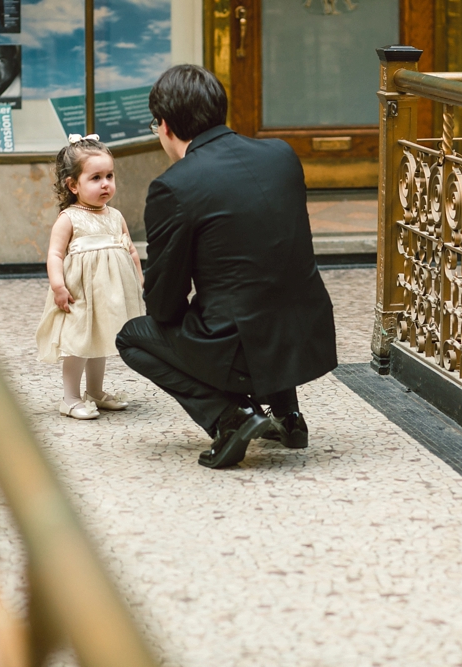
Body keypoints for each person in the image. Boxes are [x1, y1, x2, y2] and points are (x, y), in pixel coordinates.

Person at [116, 65, 337, 469]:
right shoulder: (281, 155)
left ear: (164, 126)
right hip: (308, 337)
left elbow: (164, 302)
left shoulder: (173, 186)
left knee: (133, 336)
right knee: (262, 287)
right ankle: (288, 415)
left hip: (243, 350)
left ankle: (231, 417)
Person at [36, 134, 145, 420]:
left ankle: (95, 392)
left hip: (108, 295)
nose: (106, 183)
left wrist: (138, 278)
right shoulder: (69, 218)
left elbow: (130, 250)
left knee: (100, 341)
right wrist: (58, 286)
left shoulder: (115, 215)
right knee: (78, 343)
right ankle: (70, 398)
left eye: (109, 175)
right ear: (73, 185)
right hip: (79, 293)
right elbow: (55, 255)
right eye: (95, 178)